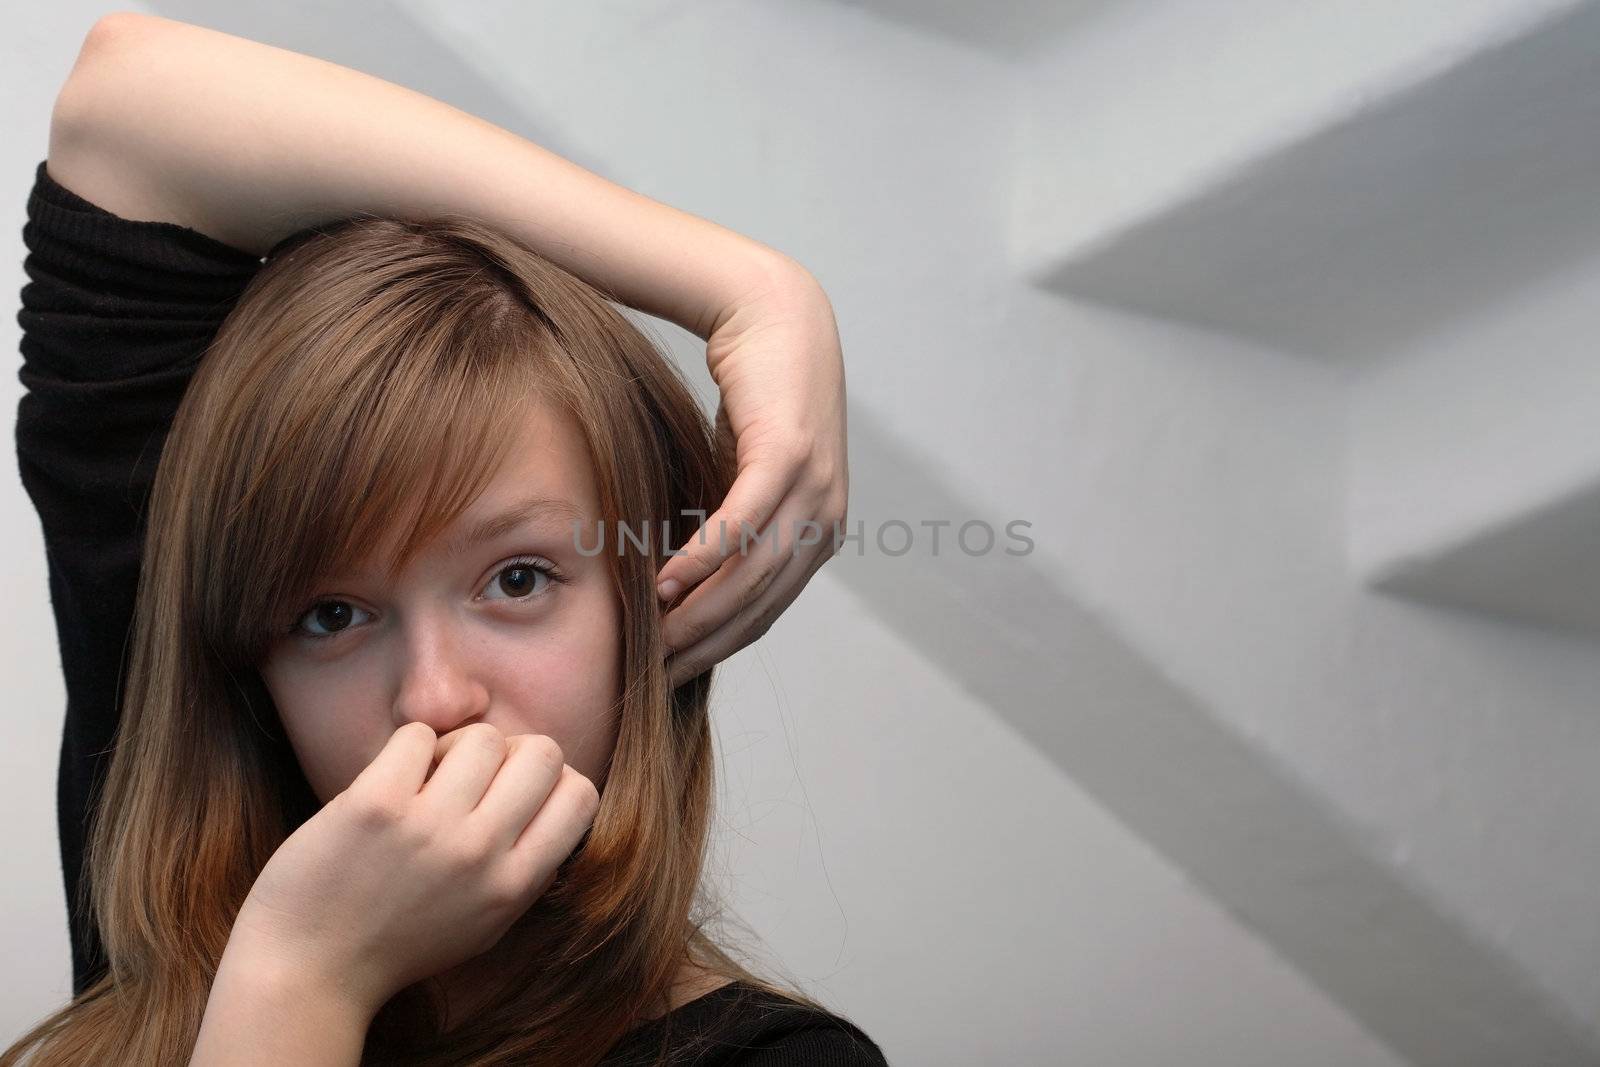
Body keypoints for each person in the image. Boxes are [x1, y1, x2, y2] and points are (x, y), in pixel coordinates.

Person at [7, 12, 877, 1067]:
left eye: (516, 578)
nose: (431, 699)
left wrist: (301, 975)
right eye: (330, 614)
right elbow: (128, 104)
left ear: (654, 593)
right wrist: (749, 291)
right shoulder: (179, 846)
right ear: (247, 669)